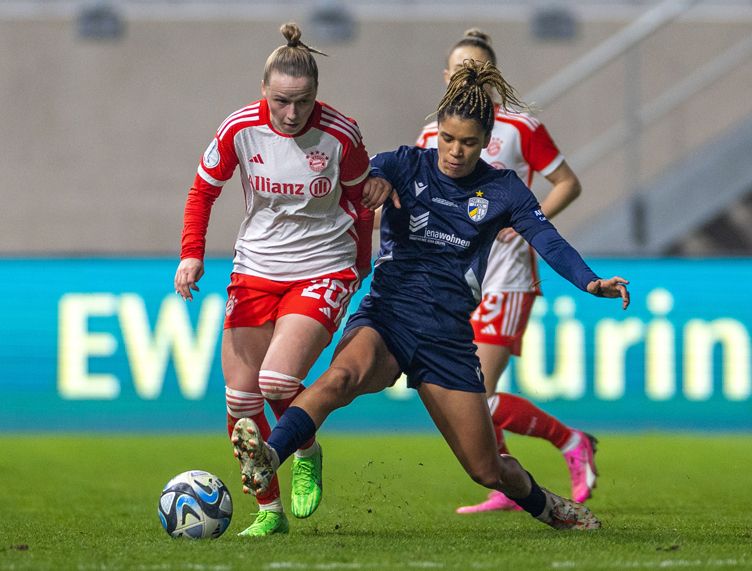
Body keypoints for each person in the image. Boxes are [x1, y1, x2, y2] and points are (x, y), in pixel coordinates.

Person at [231, 60, 630, 532]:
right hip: (387, 317)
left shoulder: (503, 190)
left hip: (446, 337)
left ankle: (546, 505)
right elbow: (351, 174)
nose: (455, 152)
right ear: (436, 131)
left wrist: (589, 281)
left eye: (468, 142)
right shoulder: (403, 163)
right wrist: (369, 185)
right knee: (339, 378)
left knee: (487, 469)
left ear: (486, 142)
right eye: (447, 138)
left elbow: (549, 242)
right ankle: (271, 456)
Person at [174, 22, 387, 537]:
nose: (292, 114)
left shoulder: (341, 133)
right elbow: (203, 191)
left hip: (322, 265)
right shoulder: (240, 129)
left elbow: (361, 202)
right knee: (241, 400)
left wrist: (359, 265)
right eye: (282, 102)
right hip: (255, 269)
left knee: (276, 381)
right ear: (263, 92)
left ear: (317, 94)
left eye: (304, 101)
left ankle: (306, 449)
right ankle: (269, 511)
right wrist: (191, 255)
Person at [416, 29, 597, 513]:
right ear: (446, 77)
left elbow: (567, 183)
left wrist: (525, 226)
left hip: (508, 278)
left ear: (491, 78)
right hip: (458, 281)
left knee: (477, 394)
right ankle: (509, 482)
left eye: (474, 69)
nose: (465, 78)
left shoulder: (519, 128)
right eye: (457, 71)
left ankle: (570, 441)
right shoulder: (433, 132)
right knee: (468, 392)